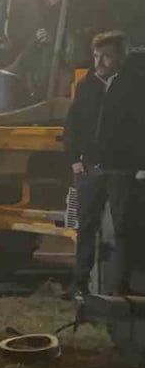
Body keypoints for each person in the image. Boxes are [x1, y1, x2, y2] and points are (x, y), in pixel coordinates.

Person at [63, 30, 145, 298]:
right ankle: (79, 284)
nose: (98, 63)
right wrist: (75, 158)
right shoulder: (88, 85)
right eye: (96, 56)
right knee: (85, 226)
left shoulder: (136, 87)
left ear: (121, 57)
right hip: (90, 168)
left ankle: (120, 287)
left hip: (122, 168)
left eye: (106, 57)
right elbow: (73, 124)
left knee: (124, 227)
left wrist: (140, 165)